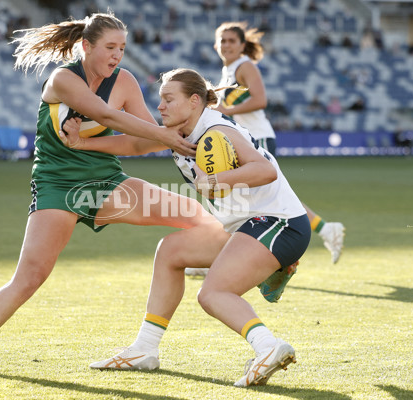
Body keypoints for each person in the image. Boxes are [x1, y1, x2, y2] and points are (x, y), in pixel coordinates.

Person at [0, 12, 216, 375]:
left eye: (122, 48)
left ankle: (261, 264)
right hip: (58, 187)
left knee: (201, 218)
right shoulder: (63, 79)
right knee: (31, 276)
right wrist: (165, 135)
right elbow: (109, 116)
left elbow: (140, 143)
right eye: (109, 47)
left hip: (104, 183)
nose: (117, 55)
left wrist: (174, 131)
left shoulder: (125, 81)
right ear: (86, 46)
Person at [60, 68, 311, 387]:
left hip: (278, 223)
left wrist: (217, 180)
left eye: (168, 99)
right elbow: (137, 147)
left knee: (213, 293)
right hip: (248, 224)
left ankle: (269, 347)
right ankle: (145, 349)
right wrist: (81, 143)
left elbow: (264, 170)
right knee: (171, 251)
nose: (160, 106)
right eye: (160, 99)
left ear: (194, 101)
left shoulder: (216, 130)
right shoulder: (181, 132)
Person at [197, 21, 344, 276]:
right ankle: (323, 230)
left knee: (249, 199)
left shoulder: (244, 66)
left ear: (242, 45)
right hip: (244, 140)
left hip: (258, 139)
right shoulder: (229, 71)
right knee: (251, 199)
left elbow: (260, 99)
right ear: (215, 45)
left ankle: (217, 258)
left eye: (232, 40)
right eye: (222, 40)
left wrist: (227, 111)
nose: (226, 45)